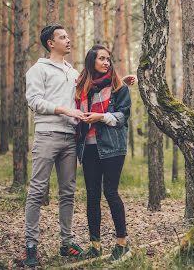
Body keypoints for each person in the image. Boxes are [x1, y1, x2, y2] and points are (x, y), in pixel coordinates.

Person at [23, 25, 85, 267]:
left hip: (71, 137)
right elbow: (34, 101)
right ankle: (31, 245)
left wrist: (122, 81)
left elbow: (93, 86)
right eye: (62, 37)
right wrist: (63, 109)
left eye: (68, 36)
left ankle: (66, 242)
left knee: (68, 193)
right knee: (37, 190)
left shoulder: (74, 71)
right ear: (51, 43)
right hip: (47, 134)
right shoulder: (38, 70)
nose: (68, 40)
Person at [75, 45, 132, 262]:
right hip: (88, 148)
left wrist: (101, 117)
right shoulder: (82, 88)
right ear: (92, 61)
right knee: (92, 196)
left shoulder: (118, 87)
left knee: (110, 192)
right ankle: (95, 245)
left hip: (112, 148)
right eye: (101, 58)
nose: (106, 62)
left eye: (108, 58)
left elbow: (123, 115)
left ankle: (122, 245)